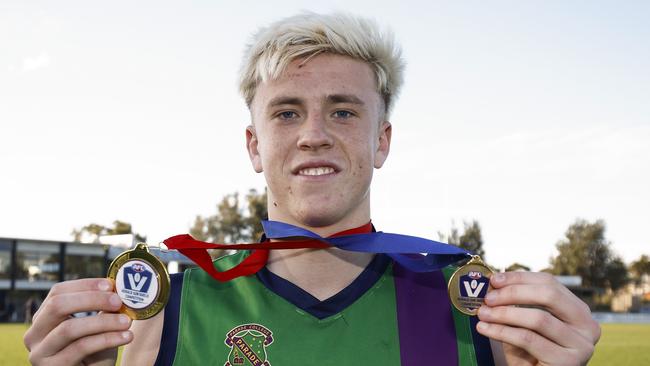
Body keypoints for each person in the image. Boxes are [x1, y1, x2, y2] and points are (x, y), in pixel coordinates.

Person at [24, 12, 600, 365]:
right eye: (287, 113)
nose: (314, 136)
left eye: (345, 112)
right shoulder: (169, 311)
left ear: (383, 140)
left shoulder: (474, 314)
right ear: (254, 145)